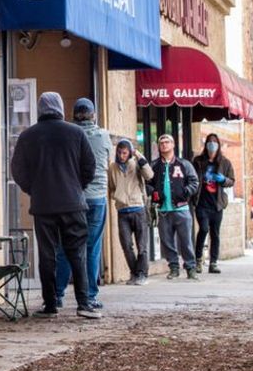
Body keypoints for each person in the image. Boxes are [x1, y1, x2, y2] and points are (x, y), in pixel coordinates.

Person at [10, 92, 101, 319]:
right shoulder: (76, 133)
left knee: (47, 255)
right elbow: (90, 167)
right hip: (73, 203)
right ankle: (84, 304)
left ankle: (50, 304)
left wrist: (35, 189)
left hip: (43, 205)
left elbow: (18, 170)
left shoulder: (28, 136)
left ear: (40, 109)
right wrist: (75, 186)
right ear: (60, 108)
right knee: (77, 253)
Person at [54, 98, 111, 309]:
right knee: (92, 247)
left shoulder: (66, 135)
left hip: (71, 198)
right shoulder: (104, 136)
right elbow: (107, 160)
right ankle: (89, 296)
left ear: (73, 114)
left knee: (64, 247)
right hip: (96, 198)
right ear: (93, 115)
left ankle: (57, 294)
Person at [147, 134, 200, 280]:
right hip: (163, 210)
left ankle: (191, 268)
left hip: (182, 209)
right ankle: (174, 268)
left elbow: (194, 182)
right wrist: (153, 192)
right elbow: (147, 183)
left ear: (173, 144)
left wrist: (186, 192)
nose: (164, 145)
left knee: (186, 241)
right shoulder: (154, 166)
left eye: (167, 142)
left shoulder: (184, 164)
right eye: (161, 142)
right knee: (167, 241)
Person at [108, 139, 154, 286]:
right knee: (126, 245)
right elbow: (111, 187)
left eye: (125, 153)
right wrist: (117, 197)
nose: (122, 155)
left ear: (130, 153)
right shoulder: (112, 167)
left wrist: (139, 157)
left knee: (142, 245)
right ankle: (134, 273)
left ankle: (142, 274)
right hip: (122, 211)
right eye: (119, 152)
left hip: (138, 209)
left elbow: (149, 175)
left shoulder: (135, 163)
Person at [191, 133, 235, 274]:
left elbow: (232, 180)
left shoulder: (225, 162)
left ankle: (213, 263)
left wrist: (223, 180)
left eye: (214, 142)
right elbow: (191, 177)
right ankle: (198, 260)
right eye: (209, 142)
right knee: (203, 229)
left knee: (215, 233)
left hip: (217, 205)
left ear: (218, 145)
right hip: (201, 203)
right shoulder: (198, 161)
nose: (212, 144)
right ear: (206, 145)